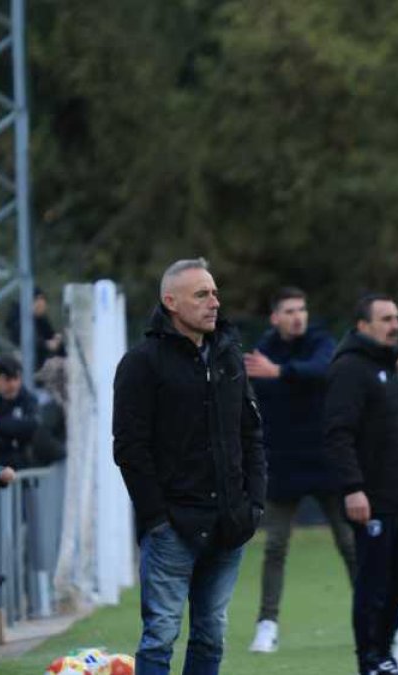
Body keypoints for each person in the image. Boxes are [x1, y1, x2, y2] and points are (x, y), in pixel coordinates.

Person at [113, 257, 266, 675]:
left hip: (229, 522)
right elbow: (129, 448)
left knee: (211, 633)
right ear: (171, 302)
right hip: (172, 528)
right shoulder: (142, 363)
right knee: (160, 635)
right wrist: (157, 518)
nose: (214, 301)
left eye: (215, 292)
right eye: (202, 294)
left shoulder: (229, 356)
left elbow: (250, 434)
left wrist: (253, 505)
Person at [243, 287, 356, 653]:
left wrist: (281, 373)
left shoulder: (321, 342)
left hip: (325, 463)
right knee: (275, 546)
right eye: (289, 310)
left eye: (302, 309)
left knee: (350, 544)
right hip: (283, 466)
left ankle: (372, 615)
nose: (298, 316)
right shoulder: (262, 352)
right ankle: (266, 625)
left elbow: (324, 369)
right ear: (275, 317)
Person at [324, 294, 398, 675]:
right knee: (374, 580)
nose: (395, 324)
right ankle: (370, 657)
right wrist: (352, 487)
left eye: (397, 317)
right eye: (385, 318)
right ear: (363, 326)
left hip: (397, 496)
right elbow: (337, 434)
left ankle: (382, 646)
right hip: (369, 498)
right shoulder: (350, 369)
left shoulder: (389, 367)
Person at [7, 287, 65, 369]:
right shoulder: (18, 319)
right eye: (38, 300)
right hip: (22, 367)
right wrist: (47, 344)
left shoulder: (40, 320)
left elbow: (51, 336)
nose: (42, 305)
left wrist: (57, 341)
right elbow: (29, 341)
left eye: (42, 300)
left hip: (38, 365)